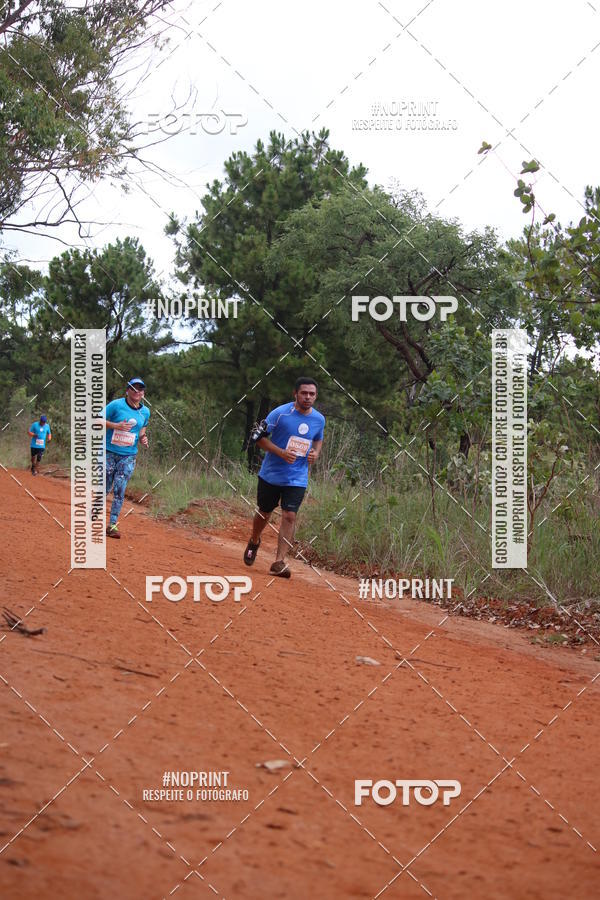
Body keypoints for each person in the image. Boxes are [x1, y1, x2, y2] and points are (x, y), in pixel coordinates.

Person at [243, 377, 325, 577]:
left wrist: (316, 453)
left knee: (290, 515)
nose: (307, 397)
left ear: (315, 396)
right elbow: (258, 439)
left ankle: (279, 561)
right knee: (264, 512)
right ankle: (254, 540)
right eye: (304, 393)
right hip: (271, 474)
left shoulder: (319, 419)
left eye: (311, 394)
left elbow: (318, 439)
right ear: (295, 394)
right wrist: (280, 453)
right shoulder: (279, 414)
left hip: (297, 477)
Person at [102, 377, 150, 539]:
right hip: (109, 452)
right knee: (105, 487)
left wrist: (143, 438)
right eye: (134, 388)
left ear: (143, 393)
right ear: (127, 390)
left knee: (120, 490)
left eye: (140, 389)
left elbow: (141, 430)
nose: (137, 392)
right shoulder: (116, 405)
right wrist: (116, 426)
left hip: (128, 456)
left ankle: (112, 525)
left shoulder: (145, 411)